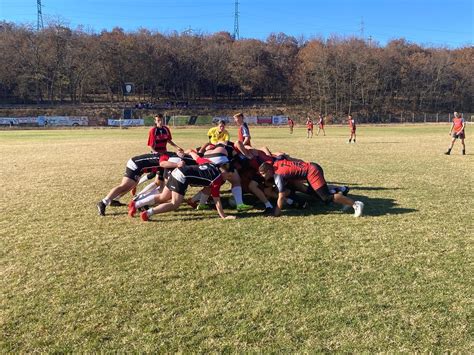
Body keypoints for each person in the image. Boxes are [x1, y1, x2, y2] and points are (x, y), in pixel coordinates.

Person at [258, 159, 364, 218]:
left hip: (312, 172)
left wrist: (276, 212)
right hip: (311, 167)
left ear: (268, 171)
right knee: (318, 192)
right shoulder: (276, 163)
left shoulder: (278, 175)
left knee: (325, 197)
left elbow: (281, 196)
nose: (262, 176)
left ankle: (355, 204)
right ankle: (342, 193)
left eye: (263, 174)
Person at [140, 157, 236, 221]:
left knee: (163, 197)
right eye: (229, 175)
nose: (229, 178)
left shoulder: (211, 164)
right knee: (174, 204)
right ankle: (148, 213)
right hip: (181, 177)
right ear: (225, 172)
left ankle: (137, 204)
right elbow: (217, 200)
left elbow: (197, 158)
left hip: (176, 171)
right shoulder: (217, 179)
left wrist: (190, 152)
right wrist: (224, 216)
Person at [96, 152, 183, 216]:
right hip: (135, 164)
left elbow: (159, 183)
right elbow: (161, 165)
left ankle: (117, 200)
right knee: (125, 185)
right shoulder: (167, 159)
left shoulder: (166, 165)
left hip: (140, 168)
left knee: (131, 186)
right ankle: (103, 202)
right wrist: (177, 164)